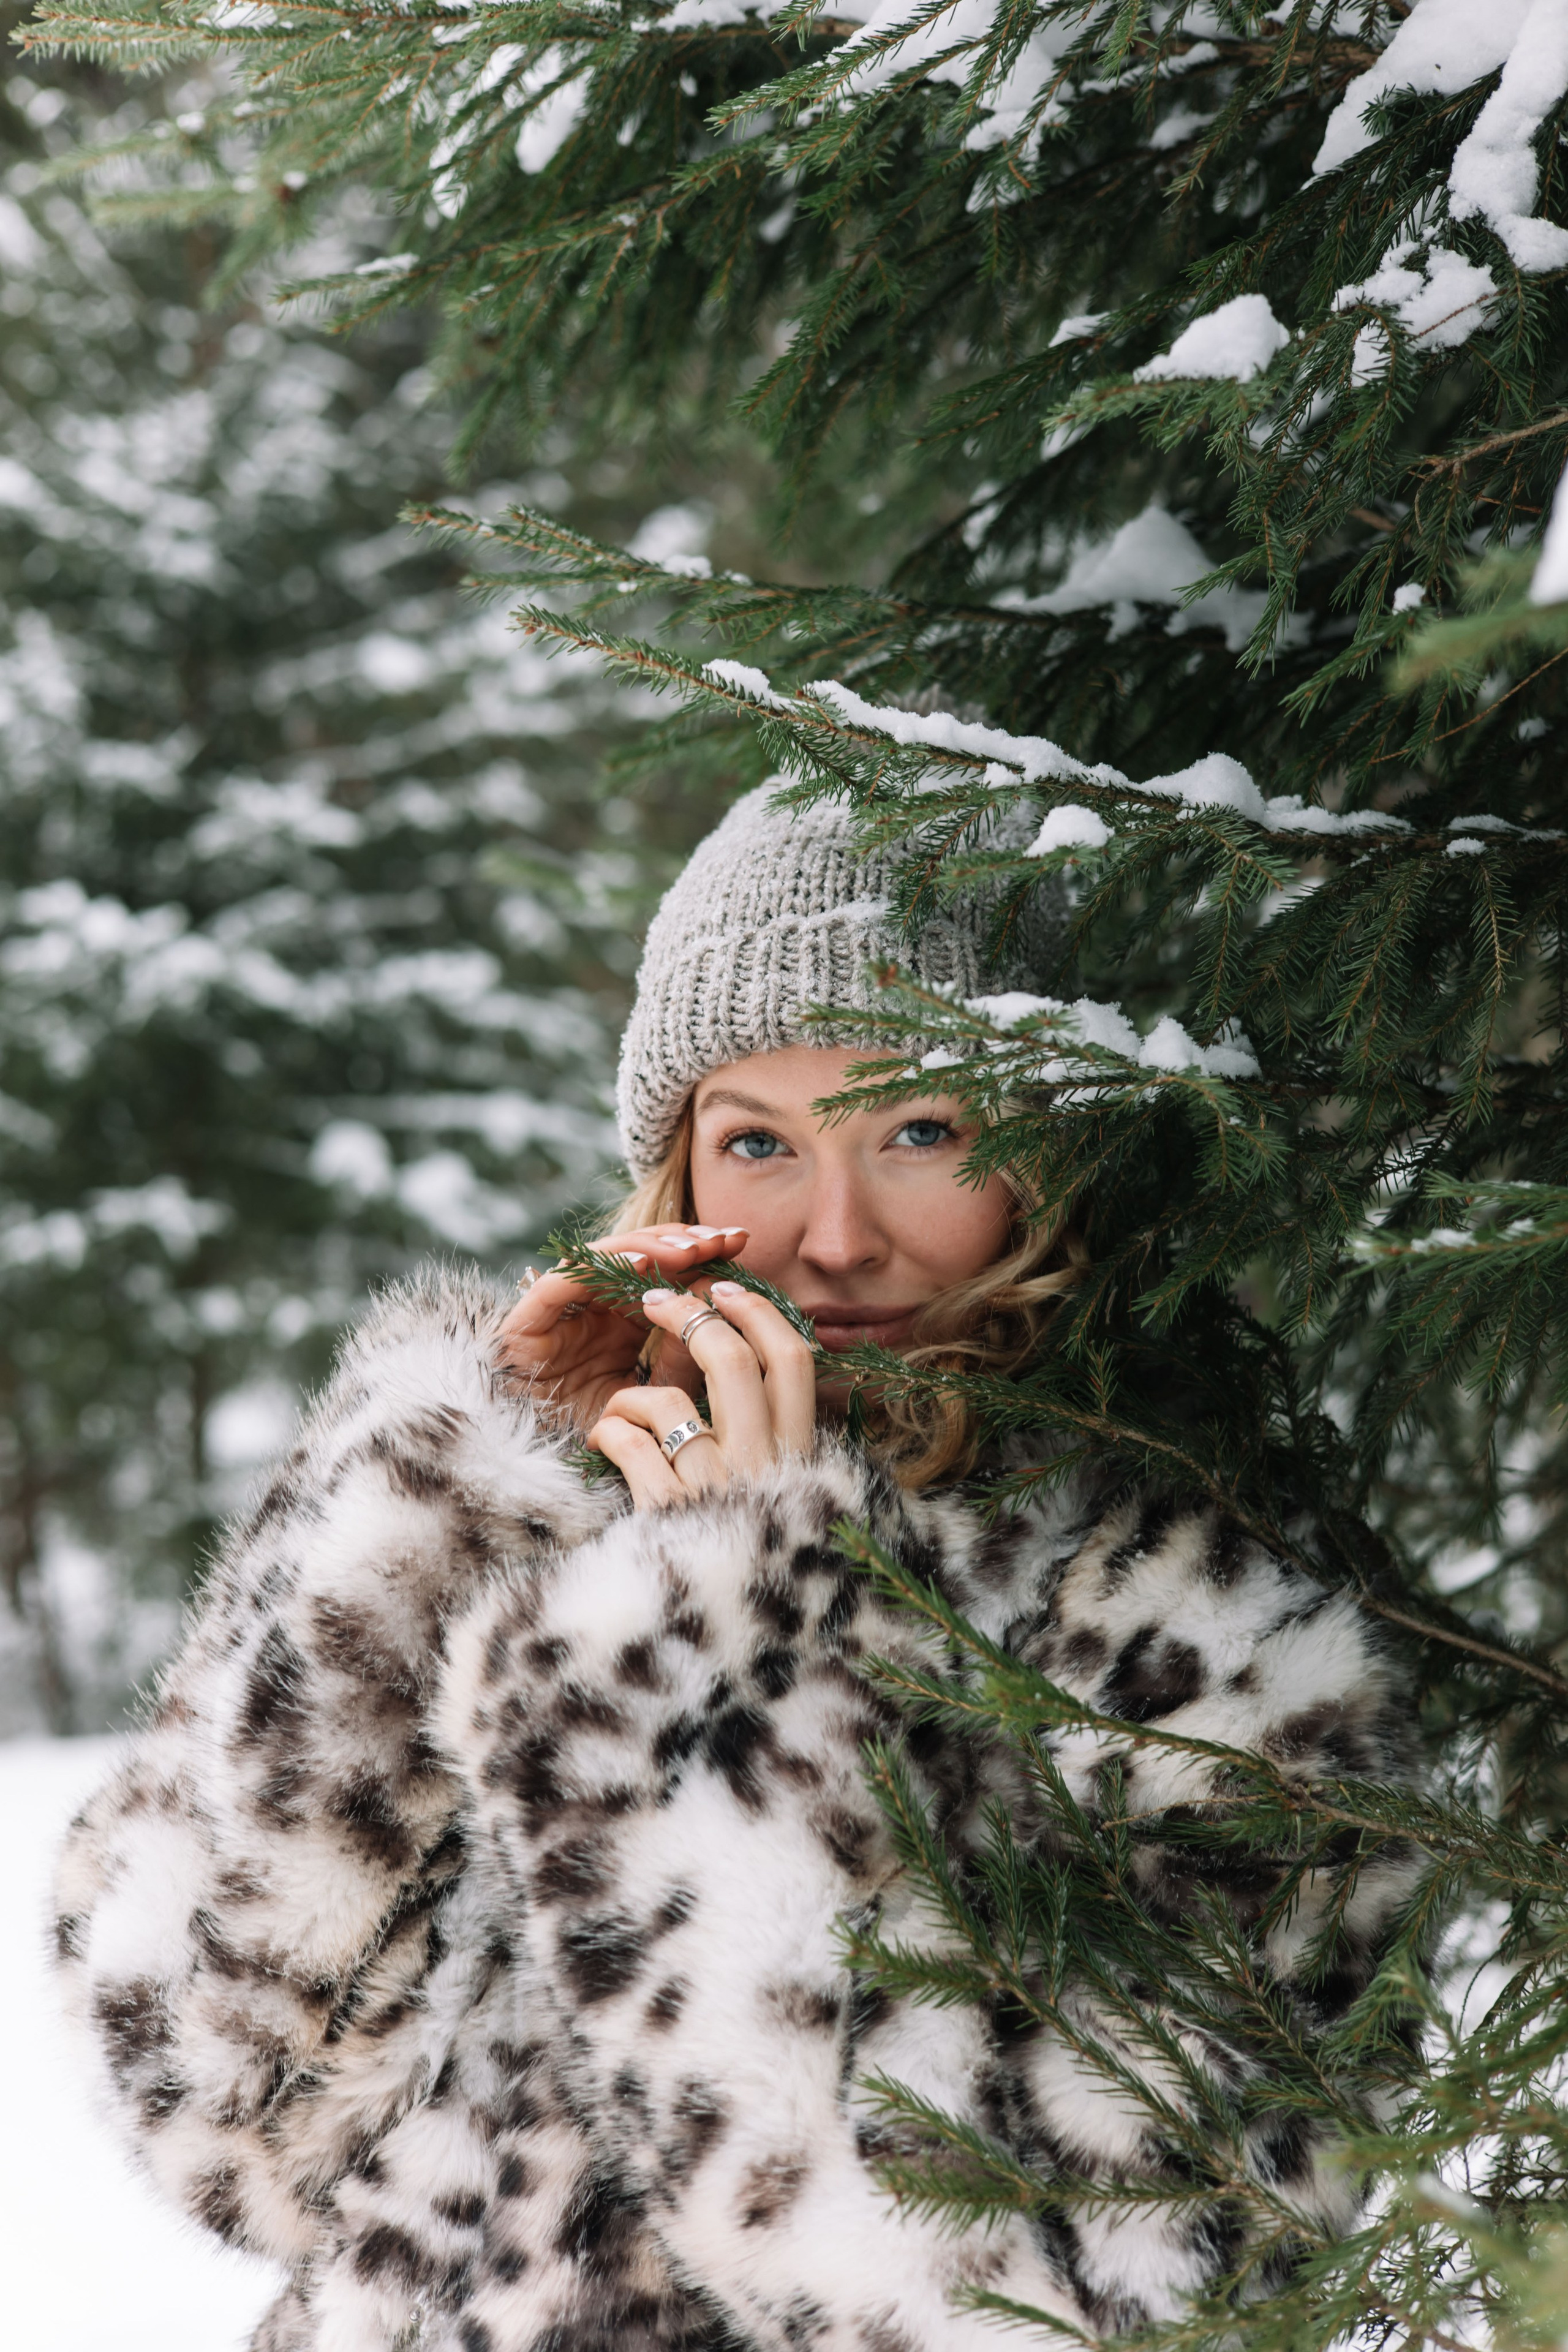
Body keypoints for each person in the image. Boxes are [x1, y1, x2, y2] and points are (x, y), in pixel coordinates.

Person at [52, 786, 1419, 2352]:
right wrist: (455, 1492)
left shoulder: (1210, 1635)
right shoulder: (575, 1521)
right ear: (679, 1180)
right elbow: (220, 2115)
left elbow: (1068, 2306)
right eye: (757, 1141)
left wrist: (738, 1667)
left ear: (1047, 1159)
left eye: (921, 1128)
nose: (829, 1238)